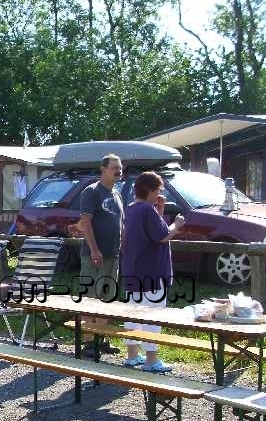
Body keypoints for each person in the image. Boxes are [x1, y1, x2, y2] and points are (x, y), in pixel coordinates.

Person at [120, 172, 185, 373]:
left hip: (133, 270)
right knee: (151, 316)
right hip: (152, 273)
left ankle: (132, 355)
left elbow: (151, 229)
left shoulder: (131, 209)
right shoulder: (147, 210)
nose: (159, 194)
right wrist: (177, 224)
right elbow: (162, 235)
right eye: (158, 190)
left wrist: (160, 209)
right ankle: (151, 360)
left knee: (133, 314)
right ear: (149, 190)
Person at [74, 153, 125, 355]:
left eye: (120, 167)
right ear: (102, 170)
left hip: (113, 255)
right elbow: (85, 222)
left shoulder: (117, 193)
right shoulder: (92, 192)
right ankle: (88, 342)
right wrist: (94, 249)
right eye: (114, 167)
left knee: (106, 298)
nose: (118, 170)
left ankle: (101, 340)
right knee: (90, 297)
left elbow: (121, 222)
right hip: (94, 255)